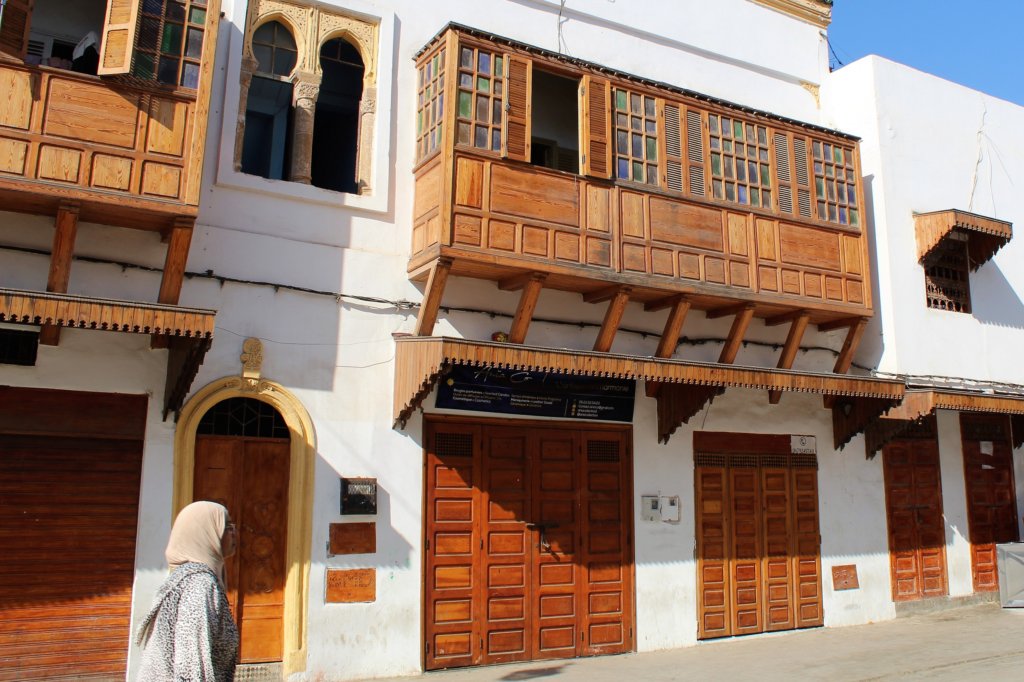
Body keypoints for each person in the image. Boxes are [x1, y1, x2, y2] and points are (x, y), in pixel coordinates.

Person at [136, 501, 240, 681]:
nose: (234, 533)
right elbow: (190, 666)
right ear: (206, 533)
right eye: (227, 526)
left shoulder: (187, 577)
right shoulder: (199, 585)